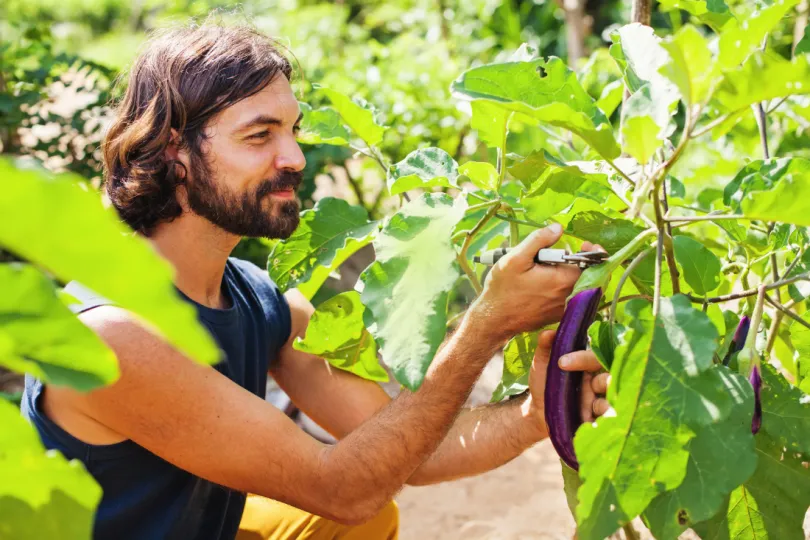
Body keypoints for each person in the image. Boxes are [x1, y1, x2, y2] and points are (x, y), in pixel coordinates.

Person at [20, 21, 610, 540]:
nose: (295, 156)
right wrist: (486, 324)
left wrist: (539, 413)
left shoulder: (252, 296)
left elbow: (409, 450)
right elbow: (343, 485)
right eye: (260, 135)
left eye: (293, 129)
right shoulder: (111, 337)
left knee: (361, 519)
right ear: (174, 152)